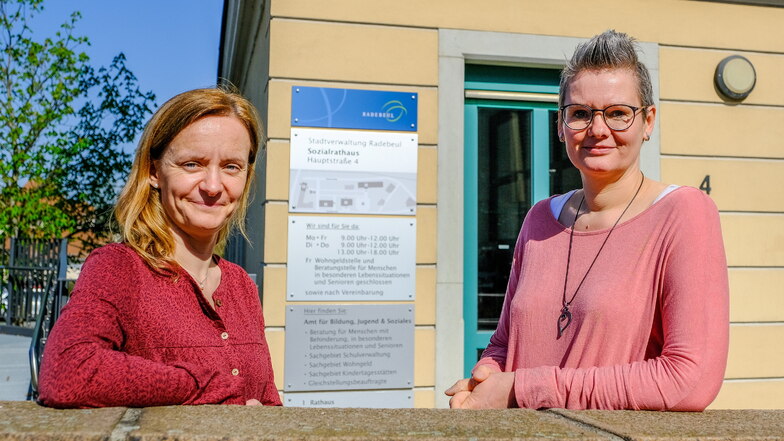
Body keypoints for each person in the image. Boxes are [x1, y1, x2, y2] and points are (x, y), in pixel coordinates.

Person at [445, 30, 729, 410]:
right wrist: (486, 375)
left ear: (648, 122)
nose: (597, 130)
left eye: (617, 113)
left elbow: (689, 379)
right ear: (560, 127)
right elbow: (504, 342)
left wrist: (521, 389)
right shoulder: (539, 219)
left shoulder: (684, 213)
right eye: (580, 113)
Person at [38, 87, 281, 408]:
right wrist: (214, 389)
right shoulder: (119, 268)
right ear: (154, 171)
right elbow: (67, 372)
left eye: (231, 167)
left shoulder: (240, 285)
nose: (212, 185)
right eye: (192, 164)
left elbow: (268, 401)